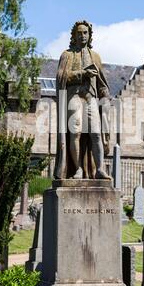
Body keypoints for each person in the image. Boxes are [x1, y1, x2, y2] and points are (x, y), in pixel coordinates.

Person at [53, 20, 111, 180]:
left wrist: (105, 98)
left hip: (90, 97)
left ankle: (100, 169)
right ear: (74, 35)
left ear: (90, 35)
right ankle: (77, 169)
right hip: (74, 96)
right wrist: (83, 73)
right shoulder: (67, 55)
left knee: (96, 133)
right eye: (79, 33)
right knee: (76, 132)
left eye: (85, 33)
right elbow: (61, 77)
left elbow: (102, 84)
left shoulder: (95, 56)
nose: (82, 36)